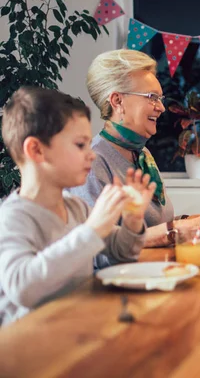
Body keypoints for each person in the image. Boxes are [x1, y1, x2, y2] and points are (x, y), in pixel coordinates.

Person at [0, 87, 155, 326]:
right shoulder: (13, 219)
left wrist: (133, 220)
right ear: (36, 150)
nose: (91, 154)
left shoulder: (76, 207)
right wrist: (92, 230)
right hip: (27, 348)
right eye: (81, 145)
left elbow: (121, 253)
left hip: (74, 329)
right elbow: (24, 288)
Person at [69, 49, 200, 247]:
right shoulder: (92, 163)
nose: (161, 107)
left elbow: (153, 225)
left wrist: (199, 220)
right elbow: (96, 247)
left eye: (160, 98)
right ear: (117, 101)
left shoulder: (142, 154)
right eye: (151, 97)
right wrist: (175, 230)